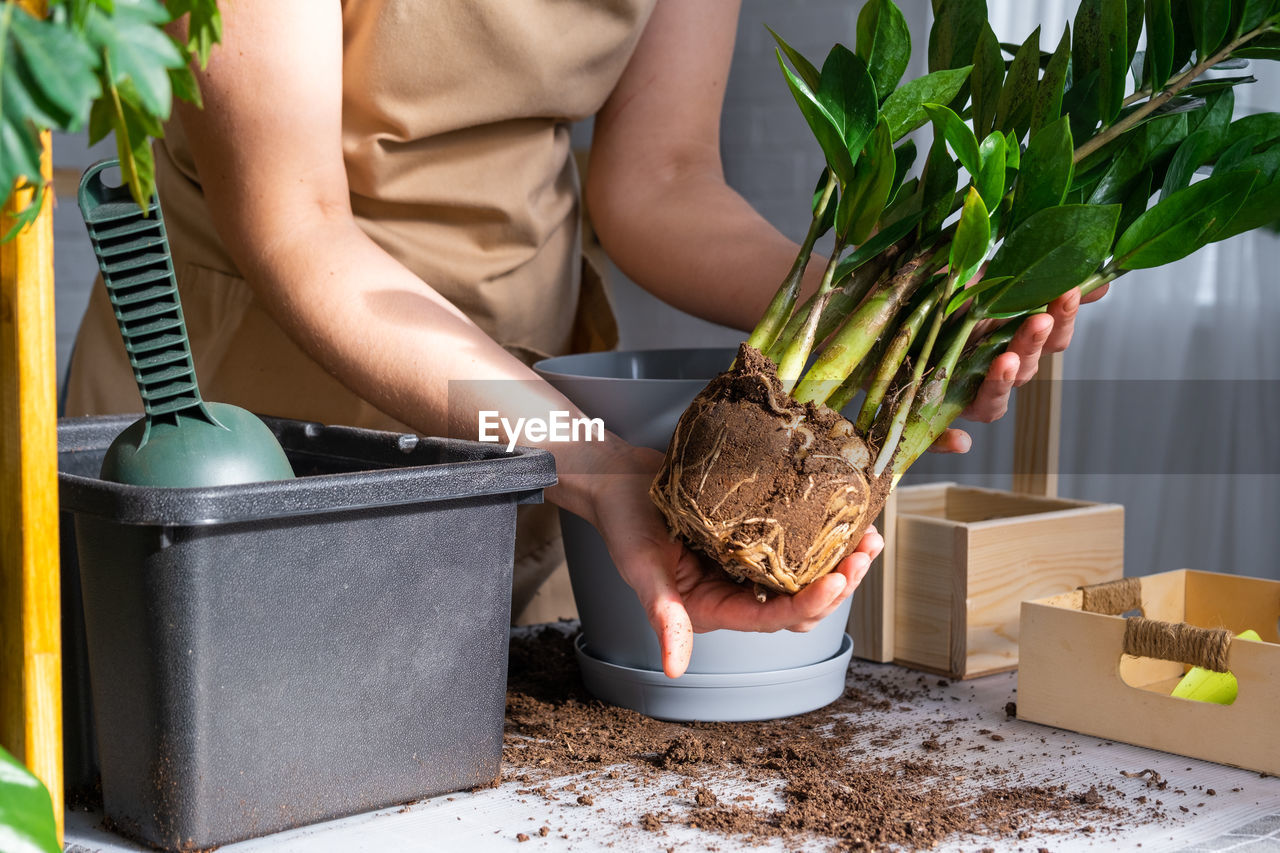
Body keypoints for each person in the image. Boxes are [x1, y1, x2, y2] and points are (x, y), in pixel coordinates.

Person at [65, 0, 1095, 678]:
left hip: (523, 400)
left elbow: (658, 184)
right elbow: (297, 229)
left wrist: (883, 315)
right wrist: (593, 464)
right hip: (257, 399)